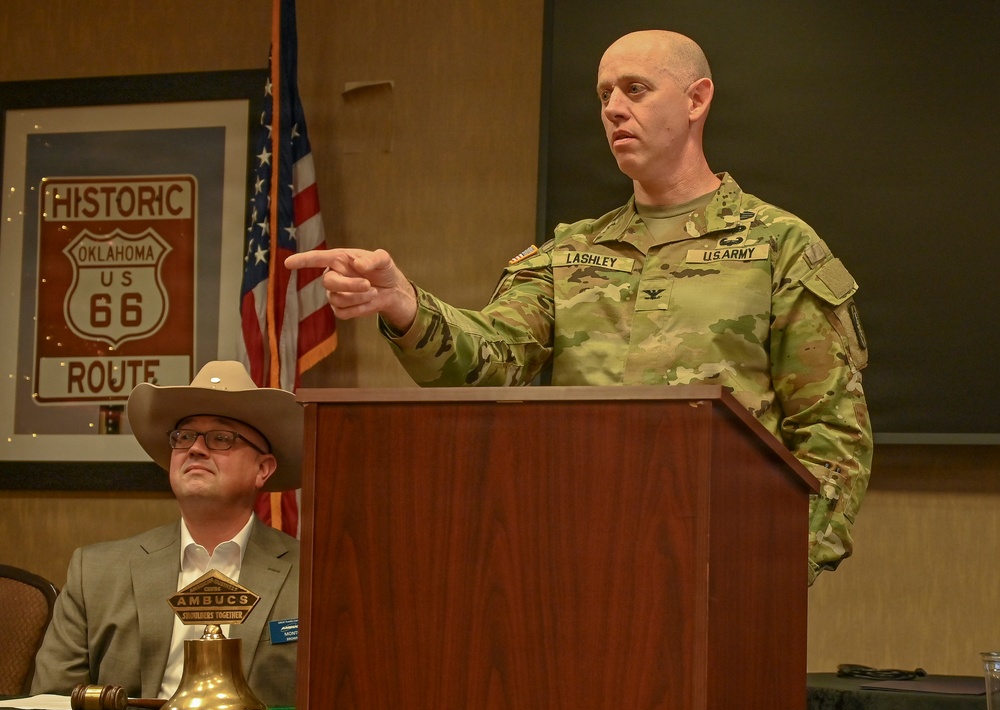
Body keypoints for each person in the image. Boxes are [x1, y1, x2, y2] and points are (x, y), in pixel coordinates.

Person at [285, 30, 873, 585]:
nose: (613, 108)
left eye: (635, 89)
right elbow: (490, 362)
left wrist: (783, 568)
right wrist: (404, 303)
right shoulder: (571, 251)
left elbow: (832, 429)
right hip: (573, 559)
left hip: (726, 563)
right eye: (604, 94)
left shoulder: (777, 245)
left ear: (697, 100)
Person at [31, 361, 302, 705]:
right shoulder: (95, 573)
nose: (195, 449)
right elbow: (50, 707)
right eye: (184, 437)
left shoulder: (311, 576)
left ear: (262, 469)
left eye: (221, 438)